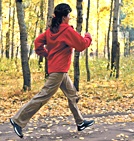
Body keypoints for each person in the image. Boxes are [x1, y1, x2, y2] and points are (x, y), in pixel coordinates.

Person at [10, 3, 94, 138]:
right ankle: (18, 120)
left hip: (59, 69)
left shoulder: (51, 30)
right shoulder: (66, 30)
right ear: (64, 17)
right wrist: (88, 37)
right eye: (69, 16)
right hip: (59, 70)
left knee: (72, 94)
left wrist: (47, 54)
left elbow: (38, 42)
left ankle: (80, 122)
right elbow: (81, 45)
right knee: (43, 96)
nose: (70, 18)